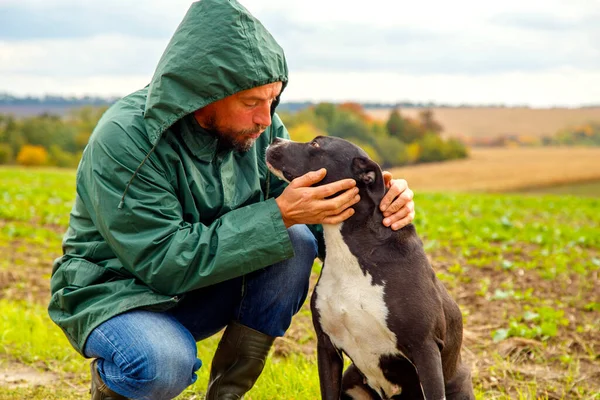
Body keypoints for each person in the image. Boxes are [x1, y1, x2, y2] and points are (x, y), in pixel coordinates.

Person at [48, 0, 416, 399]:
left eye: (272, 100)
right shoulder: (126, 139)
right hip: (115, 295)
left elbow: (308, 211)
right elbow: (162, 261)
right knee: (161, 364)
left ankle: (225, 396)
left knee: (295, 245)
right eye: (251, 103)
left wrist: (377, 208)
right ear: (204, 93)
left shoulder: (256, 128)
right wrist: (278, 215)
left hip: (201, 286)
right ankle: (114, 387)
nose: (266, 118)